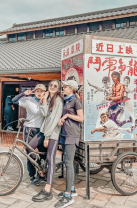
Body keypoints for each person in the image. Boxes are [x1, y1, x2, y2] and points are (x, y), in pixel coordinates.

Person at [32, 80, 63, 202]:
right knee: (29, 147)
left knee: (51, 159)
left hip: (52, 134)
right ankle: (41, 170)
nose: (53, 87)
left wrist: (47, 137)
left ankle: (48, 190)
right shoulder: (49, 99)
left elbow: (54, 120)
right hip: (45, 131)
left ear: (58, 88)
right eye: (51, 85)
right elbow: (45, 114)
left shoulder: (58, 100)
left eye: (55, 86)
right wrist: (44, 100)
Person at [54, 80, 84, 208]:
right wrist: (62, 119)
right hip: (66, 134)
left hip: (72, 135)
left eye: (65, 87)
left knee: (68, 163)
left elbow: (81, 118)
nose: (63, 89)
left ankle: (68, 196)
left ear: (71, 89)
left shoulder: (76, 101)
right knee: (68, 163)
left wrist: (66, 116)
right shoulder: (67, 100)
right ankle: (71, 189)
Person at [12, 84, 46, 183]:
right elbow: (13, 101)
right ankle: (32, 175)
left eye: (41, 91)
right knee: (29, 152)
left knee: (42, 152)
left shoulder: (46, 101)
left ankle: (43, 174)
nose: (39, 93)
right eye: (37, 91)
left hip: (41, 130)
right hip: (29, 129)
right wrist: (23, 94)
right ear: (34, 91)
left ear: (44, 92)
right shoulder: (28, 100)